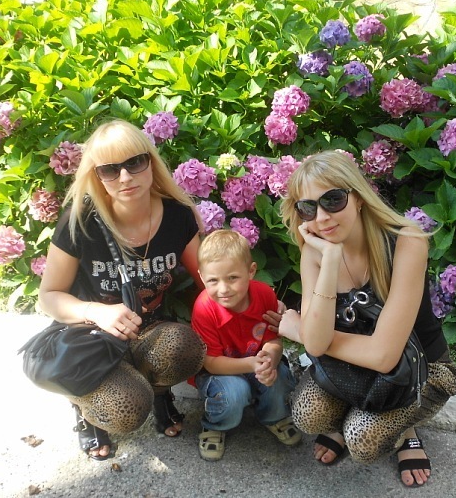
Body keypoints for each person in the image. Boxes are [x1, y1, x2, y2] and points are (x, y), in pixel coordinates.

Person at [277, 150, 456, 487]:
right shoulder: (316, 251)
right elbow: (319, 343)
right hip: (354, 368)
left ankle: (406, 431)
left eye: (333, 200)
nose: (322, 217)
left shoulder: (406, 241)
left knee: (363, 440)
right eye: (308, 208)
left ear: (359, 197)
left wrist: (302, 332)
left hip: (418, 369)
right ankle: (355, 411)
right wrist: (330, 260)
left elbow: (384, 355)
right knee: (307, 415)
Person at [38, 119, 207, 460]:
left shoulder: (178, 216)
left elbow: (207, 280)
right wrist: (97, 312)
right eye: (110, 170)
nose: (125, 177)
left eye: (134, 162)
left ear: (151, 162)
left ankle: (158, 393)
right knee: (126, 412)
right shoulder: (80, 221)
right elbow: (49, 296)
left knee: (186, 347)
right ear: (97, 176)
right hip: (93, 338)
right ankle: (86, 408)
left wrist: (256, 307)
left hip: (148, 331)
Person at [190, 229, 302, 461]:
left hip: (254, 363)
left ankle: (273, 416)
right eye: (213, 280)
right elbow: (211, 363)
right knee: (234, 392)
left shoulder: (264, 295)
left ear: (251, 271)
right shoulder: (204, 308)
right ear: (201, 277)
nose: (223, 289)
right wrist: (253, 364)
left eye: (233, 278)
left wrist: (269, 360)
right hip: (219, 373)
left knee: (278, 376)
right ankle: (216, 424)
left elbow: (272, 339)